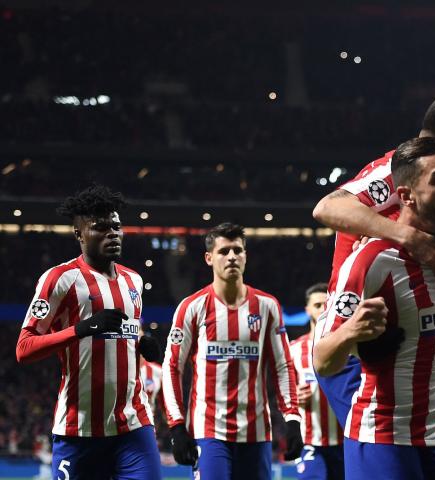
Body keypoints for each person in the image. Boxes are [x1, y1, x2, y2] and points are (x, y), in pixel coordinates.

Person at [312, 92, 435, 424]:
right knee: (379, 439)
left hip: (407, 336)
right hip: (357, 342)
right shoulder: (393, 172)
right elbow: (327, 207)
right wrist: (407, 236)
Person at [313, 137, 435, 480]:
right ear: (407, 196)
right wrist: (350, 332)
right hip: (383, 443)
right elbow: (322, 361)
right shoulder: (372, 261)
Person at [15, 184, 162, 480]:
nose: (112, 234)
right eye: (101, 228)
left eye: (116, 227)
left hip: (133, 425)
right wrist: (80, 329)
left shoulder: (133, 281)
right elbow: (24, 348)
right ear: (79, 234)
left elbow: (120, 337)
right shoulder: (60, 279)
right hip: (78, 430)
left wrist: (142, 345)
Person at [162, 222, 302, 480]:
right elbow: (172, 366)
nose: (232, 257)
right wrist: (177, 426)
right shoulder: (192, 307)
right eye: (223, 251)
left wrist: (292, 418)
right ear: (208, 258)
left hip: (257, 433)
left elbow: (282, 366)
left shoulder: (267, 306)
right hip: (209, 432)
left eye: (238, 250)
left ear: (245, 255)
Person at [290, 283, 344, 480]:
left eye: (326, 304)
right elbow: (284, 392)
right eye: (317, 305)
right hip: (310, 441)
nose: (322, 309)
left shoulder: (348, 347)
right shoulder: (294, 349)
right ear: (307, 310)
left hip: (345, 439)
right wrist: (293, 396)